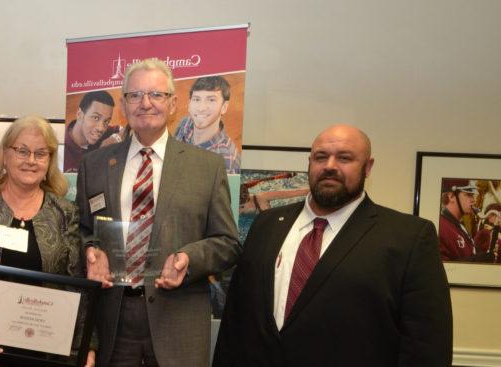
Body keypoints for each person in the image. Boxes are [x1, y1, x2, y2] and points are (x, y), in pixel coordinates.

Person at [213, 124, 453, 366]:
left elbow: (426, 345)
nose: (330, 166)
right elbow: (236, 319)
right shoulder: (267, 225)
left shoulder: (407, 237)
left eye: (344, 158)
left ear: (367, 167)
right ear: (309, 163)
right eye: (320, 157)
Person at [77, 58, 240, 366]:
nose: (145, 103)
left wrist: (190, 259)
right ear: (124, 105)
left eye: (156, 94)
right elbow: (82, 229)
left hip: (177, 320)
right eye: (135, 95)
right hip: (112, 318)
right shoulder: (95, 164)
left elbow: (228, 242)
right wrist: (90, 250)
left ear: (173, 103)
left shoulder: (207, 167)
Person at [0, 116, 82, 366]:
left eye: (41, 153)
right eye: (22, 151)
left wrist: (81, 347)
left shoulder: (66, 212)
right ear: (5, 155)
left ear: (50, 160)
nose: (31, 160)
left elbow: (75, 283)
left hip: (43, 351)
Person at [173, 76, 241, 173]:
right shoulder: (185, 123)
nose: (201, 108)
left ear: (224, 107)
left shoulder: (228, 160)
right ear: (189, 104)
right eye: (196, 99)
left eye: (211, 100)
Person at [64, 90, 116, 172]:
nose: (101, 128)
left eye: (106, 121)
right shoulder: (61, 145)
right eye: (96, 118)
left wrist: (117, 137)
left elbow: (131, 129)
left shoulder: (108, 134)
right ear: (80, 115)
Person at [438, 178, 485, 261]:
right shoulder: (440, 226)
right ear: (451, 196)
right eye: (468, 195)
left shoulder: (457, 224)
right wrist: (477, 260)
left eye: (473, 196)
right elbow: (443, 266)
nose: (473, 200)